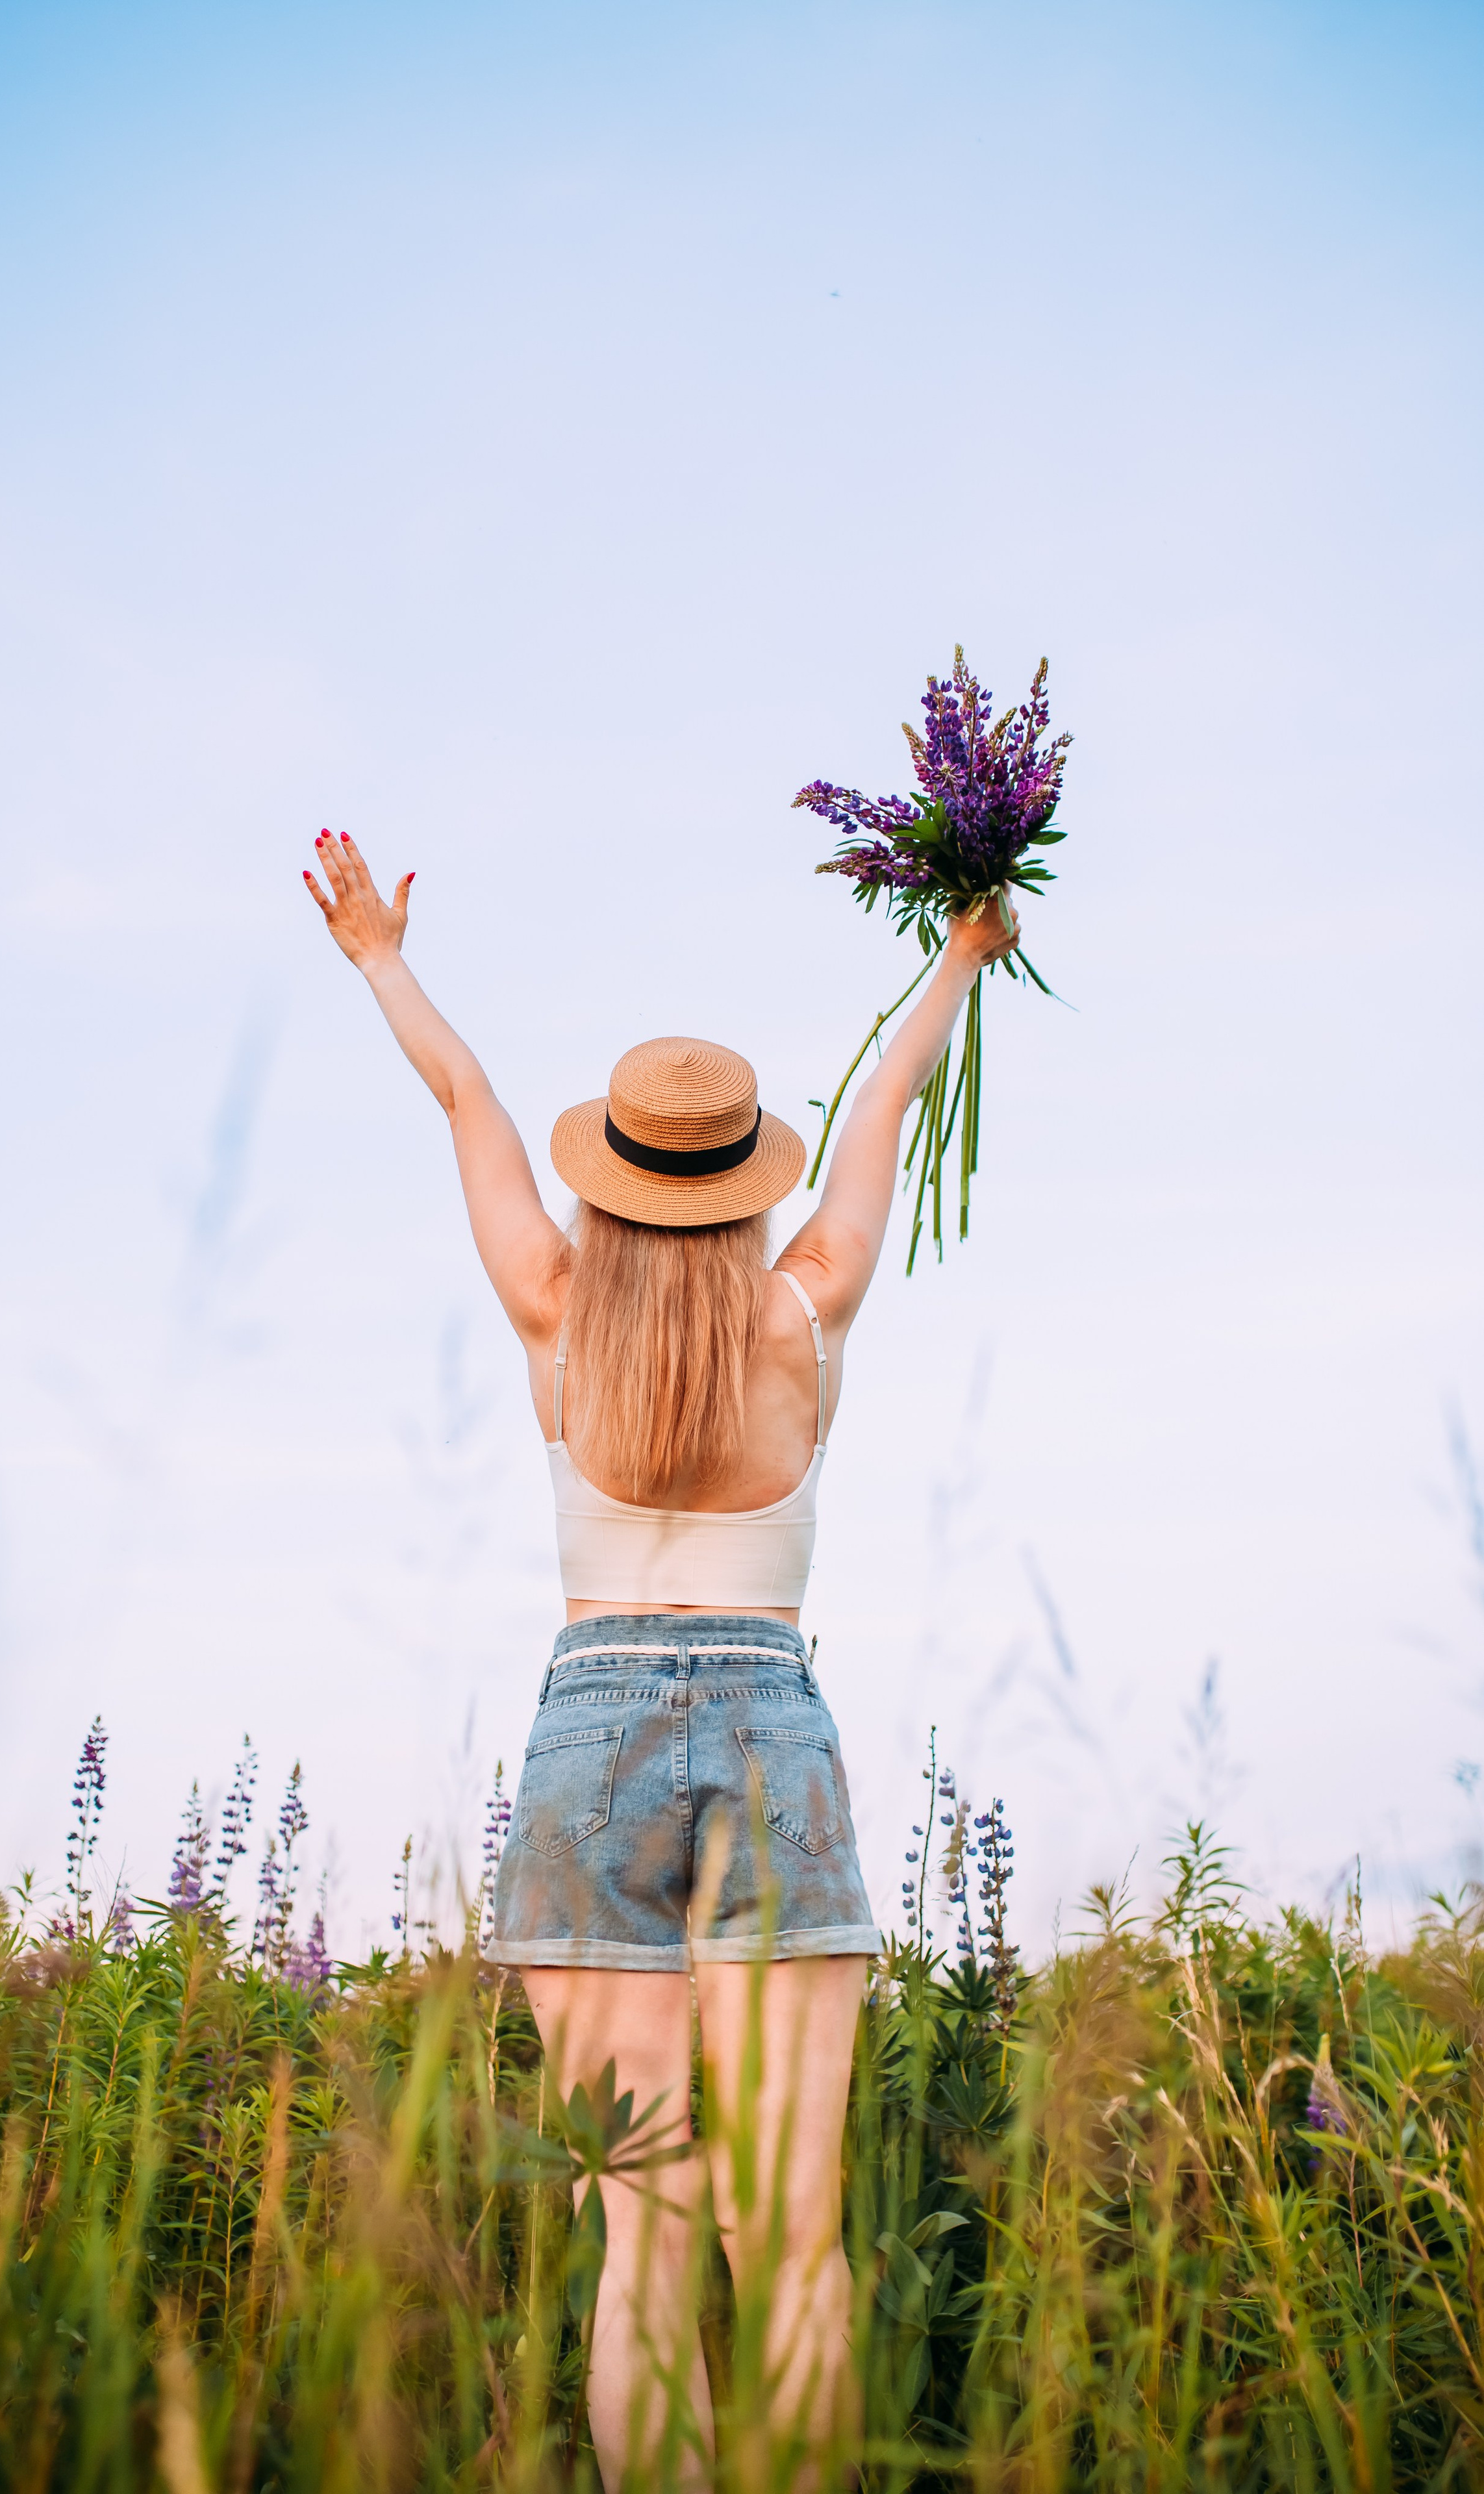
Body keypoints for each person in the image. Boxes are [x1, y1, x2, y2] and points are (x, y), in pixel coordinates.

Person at [303, 831, 1019, 2485]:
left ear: (611, 1170)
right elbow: (878, 1120)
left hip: (586, 1738)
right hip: (770, 1722)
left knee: (641, 2244)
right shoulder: (804, 1312)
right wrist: (958, 960)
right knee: (795, 2249)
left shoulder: (554, 1307)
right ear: (742, 1177)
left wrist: (380, 962)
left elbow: (469, 1108)